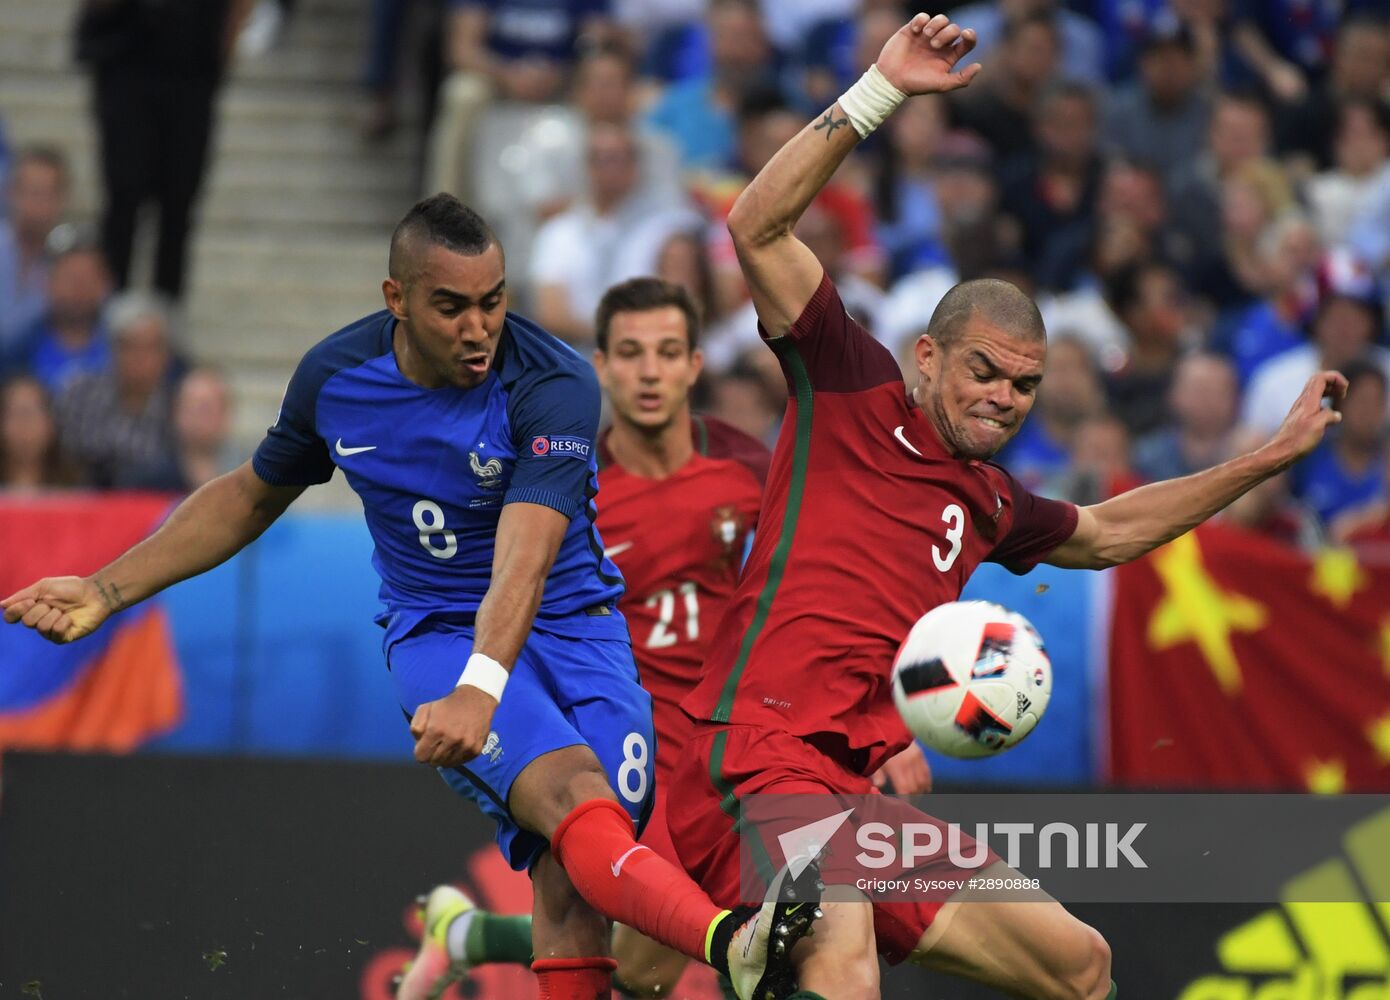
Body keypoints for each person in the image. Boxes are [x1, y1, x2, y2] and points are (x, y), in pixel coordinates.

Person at [667, 13, 1345, 999]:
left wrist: (1266, 456)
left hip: (850, 789)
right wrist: (879, 91)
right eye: (984, 372)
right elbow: (753, 226)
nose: (1002, 398)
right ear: (930, 356)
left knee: (1078, 963)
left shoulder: (989, 502)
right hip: (759, 747)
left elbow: (1111, 530)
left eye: (1022, 387)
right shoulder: (848, 382)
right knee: (839, 964)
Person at [0, 194, 816, 1000]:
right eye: (452, 306)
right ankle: (731, 941)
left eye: (493, 303)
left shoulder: (559, 384)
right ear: (397, 299)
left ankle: (470, 936)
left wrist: (482, 690)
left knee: (594, 908)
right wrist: (109, 588)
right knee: (587, 811)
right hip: (441, 640)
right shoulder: (337, 377)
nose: (478, 328)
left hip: (585, 641)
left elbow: (526, 561)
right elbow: (253, 494)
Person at [400, 277, 934, 999]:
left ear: (694, 365)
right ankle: (468, 935)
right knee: (657, 951)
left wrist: (887, 724)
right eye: (629, 353)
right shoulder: (564, 485)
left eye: (667, 352)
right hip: (631, 747)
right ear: (600, 366)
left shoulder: (749, 468)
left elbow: (832, 593)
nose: (649, 371)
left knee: (707, 944)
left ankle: (465, 935)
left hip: (734, 746)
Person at [53, 290, 177, 488]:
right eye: (130, 347)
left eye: (150, 348)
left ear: (166, 355)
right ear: (112, 349)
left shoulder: (177, 406)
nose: (140, 358)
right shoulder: (78, 394)